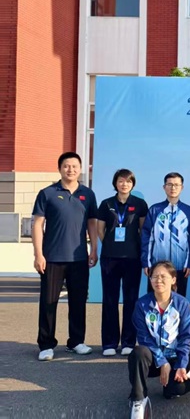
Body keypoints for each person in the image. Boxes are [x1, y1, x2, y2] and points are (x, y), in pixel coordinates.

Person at [32, 152, 99, 361]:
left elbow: (92, 223)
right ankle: (46, 344)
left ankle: (76, 341)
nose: (71, 170)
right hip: (52, 258)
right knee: (48, 302)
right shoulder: (47, 193)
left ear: (81, 169)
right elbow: (37, 224)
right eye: (66, 166)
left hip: (78, 258)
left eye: (74, 166)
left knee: (78, 302)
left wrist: (94, 249)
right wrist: (38, 254)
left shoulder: (88, 194)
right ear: (60, 168)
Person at [128, 261, 190, 418]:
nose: (158, 280)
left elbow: (186, 338)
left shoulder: (182, 304)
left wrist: (181, 364)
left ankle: (170, 386)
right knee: (138, 353)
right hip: (152, 359)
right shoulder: (142, 304)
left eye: (163, 276)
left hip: (174, 357)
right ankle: (139, 399)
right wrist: (162, 362)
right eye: (154, 277)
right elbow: (144, 338)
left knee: (177, 389)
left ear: (173, 279)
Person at [96, 169, 148, 357]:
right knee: (109, 300)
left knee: (131, 300)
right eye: (120, 181)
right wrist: (111, 245)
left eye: (128, 181)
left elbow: (143, 230)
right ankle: (109, 343)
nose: (124, 184)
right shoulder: (106, 204)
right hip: (110, 258)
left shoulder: (139, 204)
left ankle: (128, 342)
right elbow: (100, 230)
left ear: (133, 184)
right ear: (115, 183)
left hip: (132, 258)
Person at [141, 172, 190, 296]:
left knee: (178, 300)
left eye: (177, 185)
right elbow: (147, 238)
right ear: (164, 187)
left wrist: (189, 263)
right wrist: (146, 262)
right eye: (170, 184)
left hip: (180, 267)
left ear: (182, 187)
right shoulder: (155, 210)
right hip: (157, 267)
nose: (173, 188)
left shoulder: (189, 211)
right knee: (154, 300)